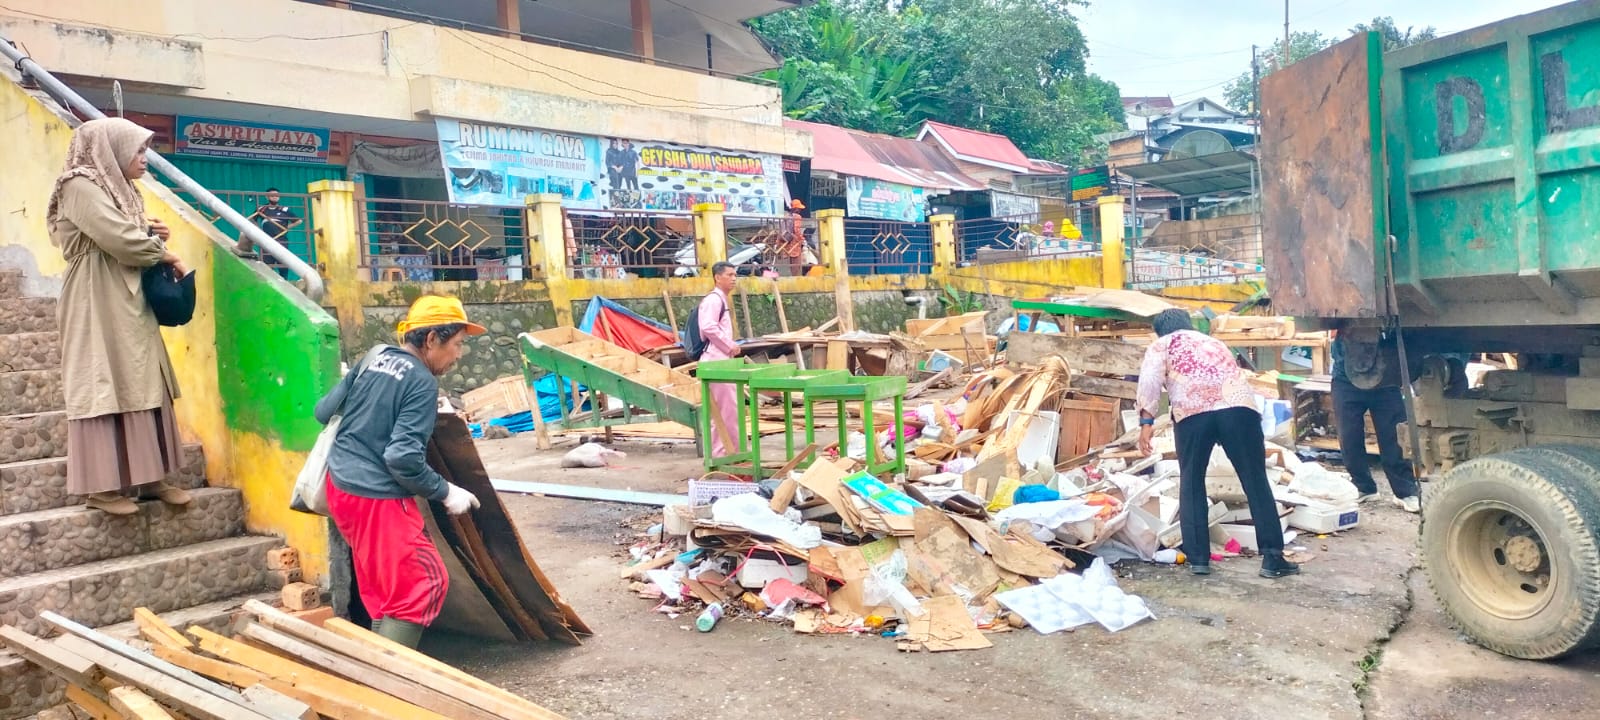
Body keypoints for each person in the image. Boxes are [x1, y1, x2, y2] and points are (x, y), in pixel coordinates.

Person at [314, 295, 486, 648]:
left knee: (383, 588)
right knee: (422, 583)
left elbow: (322, 411)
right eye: (456, 345)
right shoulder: (422, 382)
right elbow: (402, 459)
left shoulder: (373, 358)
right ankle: (390, 683)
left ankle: (378, 668)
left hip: (340, 487)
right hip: (377, 498)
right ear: (432, 339)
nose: (457, 356)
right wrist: (446, 491)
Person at [47, 118, 192, 516]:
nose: (145, 159)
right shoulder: (78, 185)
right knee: (102, 378)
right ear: (110, 150)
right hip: (95, 294)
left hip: (129, 292)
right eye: (138, 150)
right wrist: (166, 253)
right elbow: (117, 238)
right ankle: (101, 487)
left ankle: (152, 477)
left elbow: (128, 234)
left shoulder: (122, 189)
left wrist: (150, 229)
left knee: (142, 375)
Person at [1136, 309, 1299, 579]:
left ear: (1160, 331)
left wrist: (1146, 424)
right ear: (1188, 324)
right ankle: (1273, 557)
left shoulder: (1162, 344)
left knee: (1192, 481)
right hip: (1238, 409)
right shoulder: (1213, 342)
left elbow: (1150, 381)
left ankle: (1198, 559)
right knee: (1255, 480)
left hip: (1193, 412)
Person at [1330, 329, 1421, 513]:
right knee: (1349, 436)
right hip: (1345, 376)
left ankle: (1404, 491)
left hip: (1384, 377)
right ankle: (1363, 486)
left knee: (1393, 436)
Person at [697, 261, 741, 456]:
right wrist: (729, 345)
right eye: (729, 275)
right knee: (725, 411)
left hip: (720, 359)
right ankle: (724, 453)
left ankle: (728, 451)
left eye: (735, 275)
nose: (733, 279)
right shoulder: (714, 300)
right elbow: (708, 327)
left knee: (726, 410)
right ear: (717, 277)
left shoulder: (720, 299)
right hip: (717, 360)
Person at [243, 188, 301, 277]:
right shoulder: (262, 209)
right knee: (266, 266)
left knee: (283, 265)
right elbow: (252, 219)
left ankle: (285, 284)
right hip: (266, 241)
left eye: (276, 195)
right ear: (267, 197)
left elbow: (298, 221)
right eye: (272, 195)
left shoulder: (284, 209)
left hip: (281, 241)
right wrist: (258, 229)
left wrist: (285, 227)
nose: (275, 197)